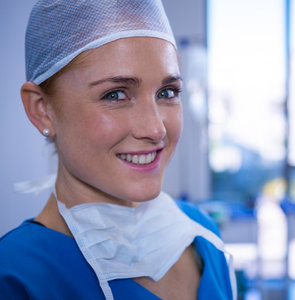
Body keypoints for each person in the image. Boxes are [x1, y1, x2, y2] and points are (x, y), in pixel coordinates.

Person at [0, 1, 236, 299]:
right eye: (116, 94)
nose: (155, 129)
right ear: (42, 109)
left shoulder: (203, 235)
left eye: (167, 92)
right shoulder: (16, 276)